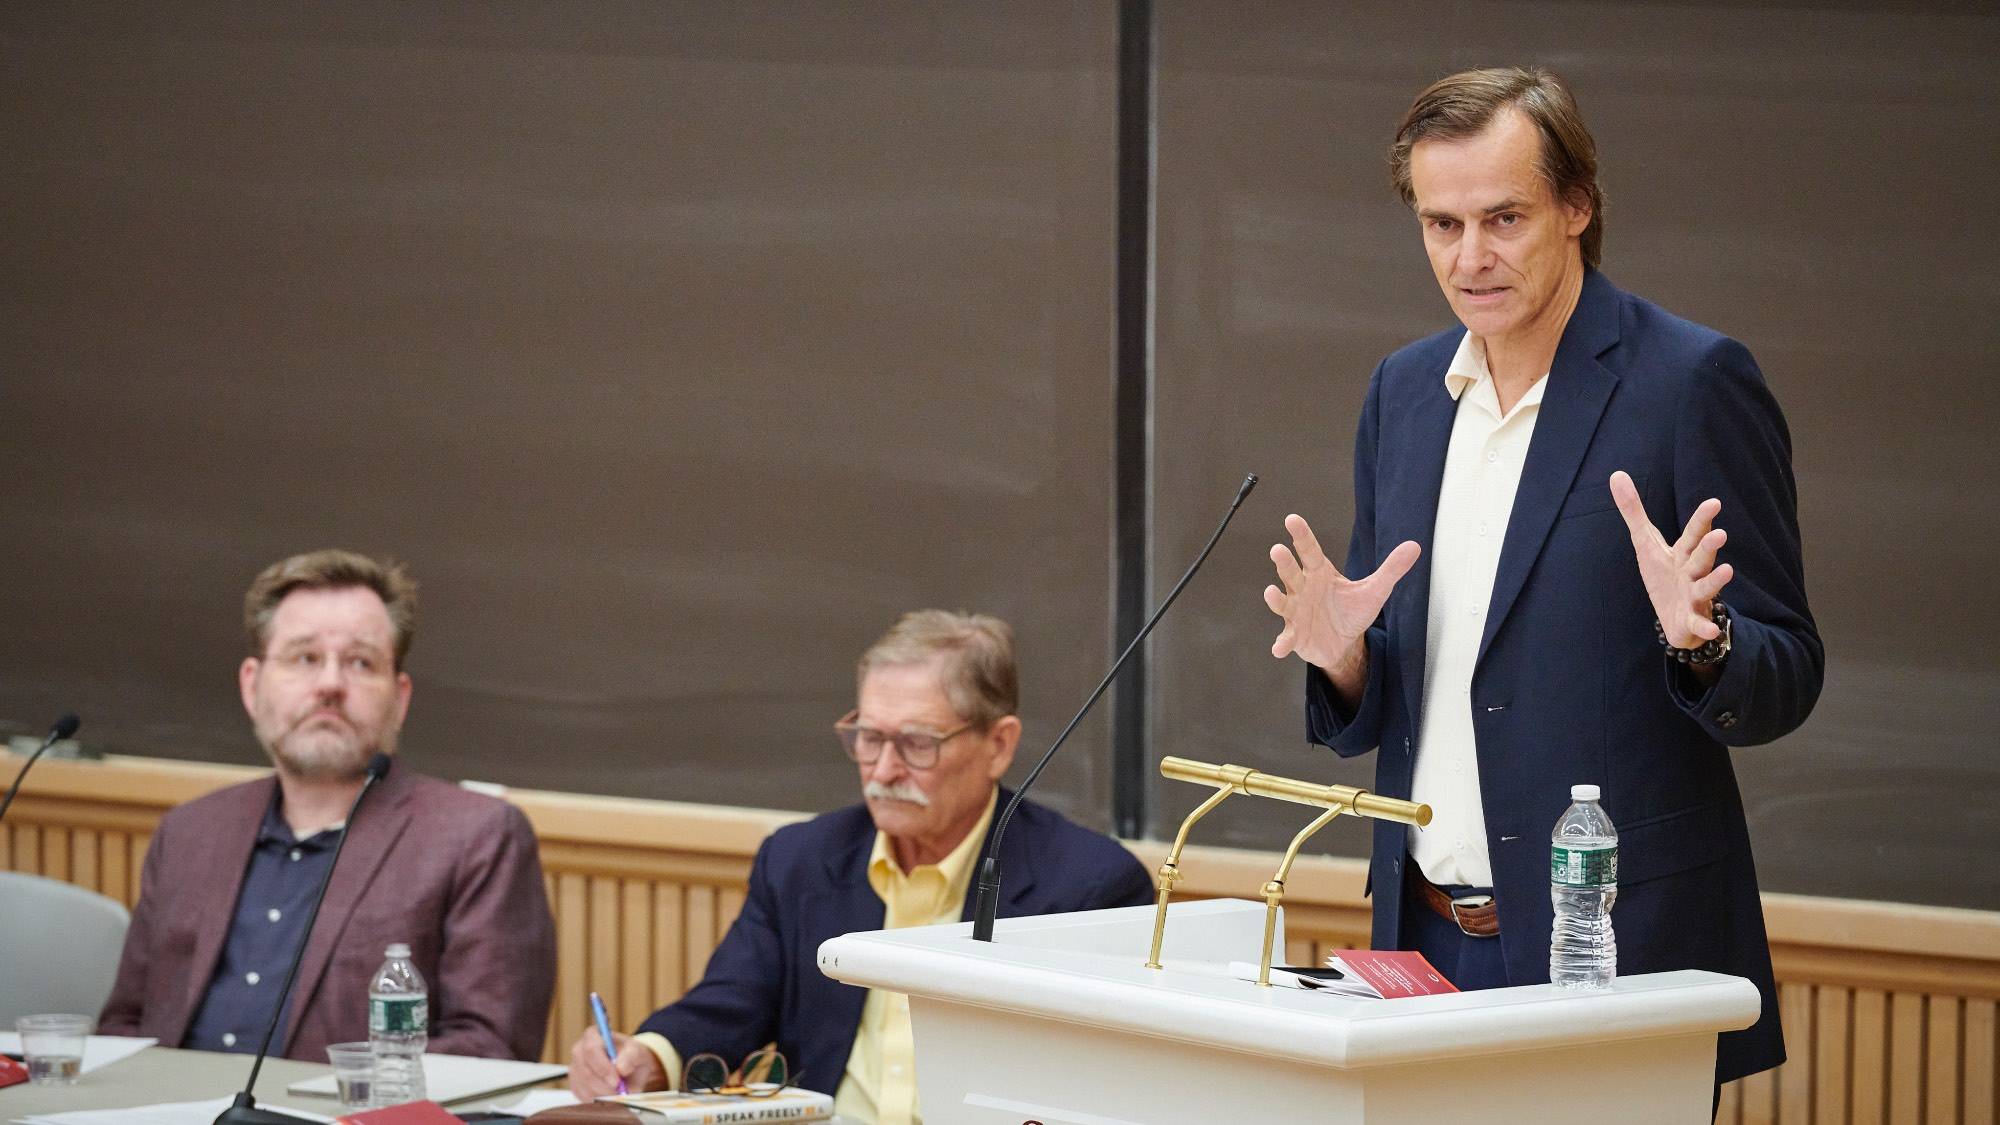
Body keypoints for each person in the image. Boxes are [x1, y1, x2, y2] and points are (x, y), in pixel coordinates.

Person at [1262, 67, 1821, 1087]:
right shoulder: (1404, 393)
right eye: (1439, 225)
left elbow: (1785, 674)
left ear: (1575, 206)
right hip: (1419, 943)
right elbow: (1405, 698)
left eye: (1502, 218)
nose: (1468, 257)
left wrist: (1706, 645)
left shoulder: (1688, 383)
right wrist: (1344, 665)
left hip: (1607, 946)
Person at [568, 610, 1153, 1123]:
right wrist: (649, 1056)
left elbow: (1102, 1092)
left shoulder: (1091, 887)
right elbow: (730, 1003)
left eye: (917, 744)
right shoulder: (801, 859)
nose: (883, 770)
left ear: (998, 746)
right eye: (868, 738)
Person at [99, 549, 557, 1061]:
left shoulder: (475, 837)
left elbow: (492, 1049)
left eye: (361, 663)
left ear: (400, 698)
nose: (331, 684)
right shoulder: (190, 832)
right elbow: (124, 1025)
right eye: (304, 658)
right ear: (252, 685)